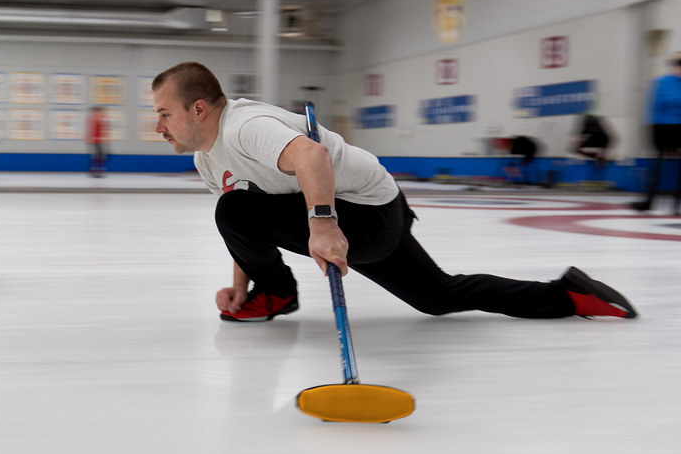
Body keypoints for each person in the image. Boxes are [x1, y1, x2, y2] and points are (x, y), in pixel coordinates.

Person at [151, 61, 637, 323]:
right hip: (373, 212)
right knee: (437, 296)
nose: (158, 127)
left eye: (164, 114)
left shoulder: (245, 125)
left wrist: (322, 226)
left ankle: (279, 295)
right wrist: (240, 287)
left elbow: (311, 157)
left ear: (198, 108)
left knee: (234, 209)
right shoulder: (207, 157)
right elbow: (245, 225)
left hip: (365, 212)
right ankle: (569, 295)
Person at [631, 53, 681, 214]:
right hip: (663, 129)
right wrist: (652, 132)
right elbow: (652, 108)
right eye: (677, 63)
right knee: (657, 167)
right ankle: (649, 201)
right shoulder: (661, 82)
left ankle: (677, 205)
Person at [85, 106, 108, 177]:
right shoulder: (94, 118)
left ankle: (97, 171)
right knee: (98, 156)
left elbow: (103, 128)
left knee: (100, 156)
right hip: (96, 140)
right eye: (99, 111)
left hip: (98, 140)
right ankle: (96, 171)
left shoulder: (97, 118)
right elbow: (93, 130)